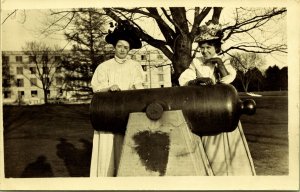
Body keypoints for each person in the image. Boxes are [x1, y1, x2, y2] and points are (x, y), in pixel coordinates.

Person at [179, 21, 256, 175]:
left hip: (222, 108)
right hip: (206, 109)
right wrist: (196, 81)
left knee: (226, 142)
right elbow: (184, 80)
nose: (205, 51)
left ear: (216, 48)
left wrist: (218, 64)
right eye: (202, 48)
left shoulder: (224, 61)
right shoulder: (197, 62)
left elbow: (228, 79)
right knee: (208, 143)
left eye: (208, 48)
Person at [90, 21, 144, 177]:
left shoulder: (135, 66)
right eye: (120, 46)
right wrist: (109, 87)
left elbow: (139, 87)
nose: (122, 50)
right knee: (108, 146)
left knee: (126, 145)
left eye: (126, 48)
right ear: (115, 47)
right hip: (109, 111)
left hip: (128, 112)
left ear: (129, 50)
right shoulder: (104, 67)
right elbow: (97, 88)